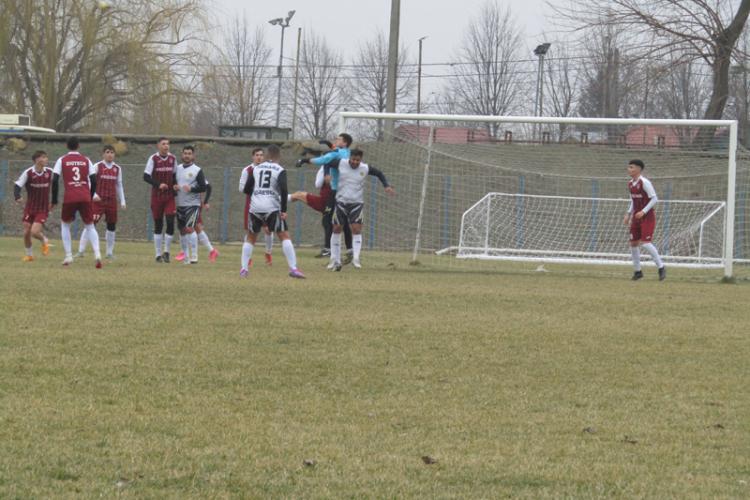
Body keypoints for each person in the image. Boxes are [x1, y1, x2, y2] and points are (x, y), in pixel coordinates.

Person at [241, 144, 305, 279]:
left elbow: (246, 189)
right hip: (272, 207)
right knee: (284, 236)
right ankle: (293, 268)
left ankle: (244, 269)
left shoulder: (256, 168)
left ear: (267, 155)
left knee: (251, 238)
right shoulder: (280, 169)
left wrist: (258, 193)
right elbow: (284, 190)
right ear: (278, 156)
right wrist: (284, 210)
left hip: (255, 207)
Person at [329, 149, 394, 271]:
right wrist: (327, 174)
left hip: (357, 203)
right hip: (341, 201)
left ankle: (356, 259)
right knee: (337, 228)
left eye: (358, 160)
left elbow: (379, 173)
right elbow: (327, 162)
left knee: (356, 229)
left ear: (361, 159)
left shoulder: (365, 168)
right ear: (350, 157)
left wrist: (386, 185)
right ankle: (334, 260)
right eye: (353, 159)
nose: (355, 162)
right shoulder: (341, 163)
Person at [291, 140, 353, 262]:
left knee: (329, 221)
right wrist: (325, 142)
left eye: (339, 139)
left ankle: (329, 249)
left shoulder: (335, 157)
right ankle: (349, 250)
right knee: (343, 222)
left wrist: (305, 160)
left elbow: (318, 182)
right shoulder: (345, 154)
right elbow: (330, 153)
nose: (336, 141)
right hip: (344, 193)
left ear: (345, 143)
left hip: (331, 195)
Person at [51, 136, 103, 268]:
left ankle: (68, 255)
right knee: (90, 226)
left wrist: (54, 199)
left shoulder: (62, 160)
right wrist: (90, 195)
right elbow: (94, 180)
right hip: (84, 196)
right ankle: (97, 254)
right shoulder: (86, 160)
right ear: (78, 146)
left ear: (67, 146)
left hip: (70, 197)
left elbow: (55, 180)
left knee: (65, 225)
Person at [76, 145, 126, 259]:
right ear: (103, 154)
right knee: (90, 224)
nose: (110, 154)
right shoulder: (97, 166)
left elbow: (119, 185)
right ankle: (81, 251)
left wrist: (122, 200)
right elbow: (89, 181)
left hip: (111, 201)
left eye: (112, 152)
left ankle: (109, 253)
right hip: (98, 201)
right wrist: (93, 194)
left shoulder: (117, 168)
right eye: (107, 152)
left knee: (111, 225)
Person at [623, 159, 666, 281]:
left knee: (646, 243)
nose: (629, 169)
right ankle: (638, 272)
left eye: (631, 167)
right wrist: (628, 213)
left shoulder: (645, 182)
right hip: (636, 217)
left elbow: (654, 198)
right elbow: (633, 200)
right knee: (633, 243)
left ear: (638, 169)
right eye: (629, 167)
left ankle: (661, 267)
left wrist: (643, 211)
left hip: (647, 217)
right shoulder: (630, 184)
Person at [14, 150, 52, 261]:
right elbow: (17, 185)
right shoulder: (28, 172)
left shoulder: (50, 172)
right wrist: (17, 196)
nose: (46, 159)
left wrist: (54, 201)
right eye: (43, 157)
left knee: (34, 232)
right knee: (26, 232)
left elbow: (56, 185)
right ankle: (29, 255)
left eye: (46, 157)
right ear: (36, 160)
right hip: (30, 207)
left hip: (43, 208)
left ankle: (44, 240)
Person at [239, 147, 274, 266]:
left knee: (268, 229)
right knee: (251, 231)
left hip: (267, 203)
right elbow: (241, 188)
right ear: (253, 157)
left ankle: (268, 253)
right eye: (257, 155)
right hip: (252, 204)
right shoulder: (247, 170)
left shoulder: (268, 169)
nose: (259, 157)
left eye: (261, 155)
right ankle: (247, 257)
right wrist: (255, 189)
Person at [143, 137, 176, 263]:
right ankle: (158, 254)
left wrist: (175, 185)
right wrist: (158, 184)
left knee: (170, 221)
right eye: (163, 144)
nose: (166, 146)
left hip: (169, 197)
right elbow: (146, 176)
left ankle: (166, 252)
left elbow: (175, 175)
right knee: (158, 224)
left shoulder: (172, 158)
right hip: (157, 197)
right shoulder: (153, 159)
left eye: (168, 144)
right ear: (158, 145)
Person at [173, 145, 207, 264]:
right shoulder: (177, 169)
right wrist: (175, 187)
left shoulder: (197, 170)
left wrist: (191, 189)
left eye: (189, 153)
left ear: (193, 156)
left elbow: (203, 187)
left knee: (190, 228)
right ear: (182, 155)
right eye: (185, 153)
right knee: (182, 230)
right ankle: (185, 257)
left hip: (193, 204)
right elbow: (174, 184)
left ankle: (194, 255)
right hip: (180, 203)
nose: (187, 155)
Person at [175, 176, 218, 263]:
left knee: (190, 227)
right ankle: (211, 251)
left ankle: (192, 256)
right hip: (184, 204)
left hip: (194, 204)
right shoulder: (180, 173)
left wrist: (205, 202)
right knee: (192, 227)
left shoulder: (196, 173)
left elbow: (208, 186)